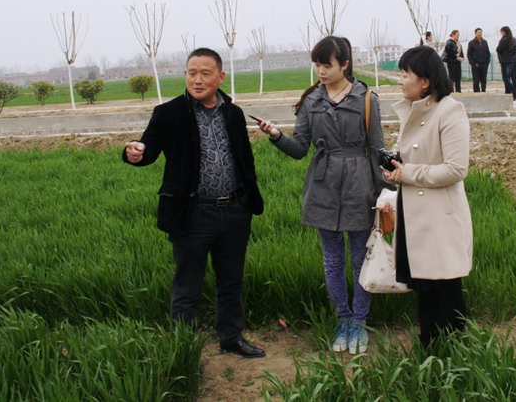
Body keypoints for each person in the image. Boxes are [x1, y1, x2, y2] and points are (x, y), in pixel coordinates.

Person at [122, 48, 266, 359]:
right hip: (192, 213)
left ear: (220, 77)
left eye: (205, 73)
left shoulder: (233, 113)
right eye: (191, 73)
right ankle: (184, 348)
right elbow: (147, 149)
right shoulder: (169, 113)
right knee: (187, 285)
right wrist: (134, 152)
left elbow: (245, 160)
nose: (197, 80)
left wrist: (247, 201)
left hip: (234, 212)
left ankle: (231, 338)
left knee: (231, 282)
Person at [256, 36, 385, 355]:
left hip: (359, 184)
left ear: (345, 64)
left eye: (327, 65)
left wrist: (383, 193)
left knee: (361, 258)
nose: (321, 71)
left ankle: (359, 320)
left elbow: (377, 148)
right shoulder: (311, 101)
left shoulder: (367, 98)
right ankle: (342, 319)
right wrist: (276, 135)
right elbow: (300, 148)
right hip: (323, 184)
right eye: (317, 65)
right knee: (332, 259)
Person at [380, 46, 473, 351]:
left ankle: (453, 351)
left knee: (444, 285)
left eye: (404, 74)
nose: (399, 80)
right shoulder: (415, 109)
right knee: (425, 285)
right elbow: (410, 161)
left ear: (425, 81)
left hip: (439, 216)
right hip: (416, 214)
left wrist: (407, 173)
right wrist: (393, 170)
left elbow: (456, 169)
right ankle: (430, 348)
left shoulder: (449, 111)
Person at [496, 26, 516, 100]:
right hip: (513, 61)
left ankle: (513, 93)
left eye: (501, 32)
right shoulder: (514, 39)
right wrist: (514, 58)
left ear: (504, 32)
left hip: (505, 61)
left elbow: (499, 49)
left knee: (506, 79)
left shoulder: (503, 40)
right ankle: (514, 94)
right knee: (514, 78)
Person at [466, 28, 491, 93]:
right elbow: (469, 54)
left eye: (480, 32)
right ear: (475, 33)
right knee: (476, 79)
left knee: (483, 78)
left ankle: (483, 90)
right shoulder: (471, 43)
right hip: (476, 64)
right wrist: (472, 63)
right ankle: (476, 91)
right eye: (478, 32)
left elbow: (488, 52)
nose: (480, 34)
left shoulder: (484, 42)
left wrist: (487, 61)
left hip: (484, 64)